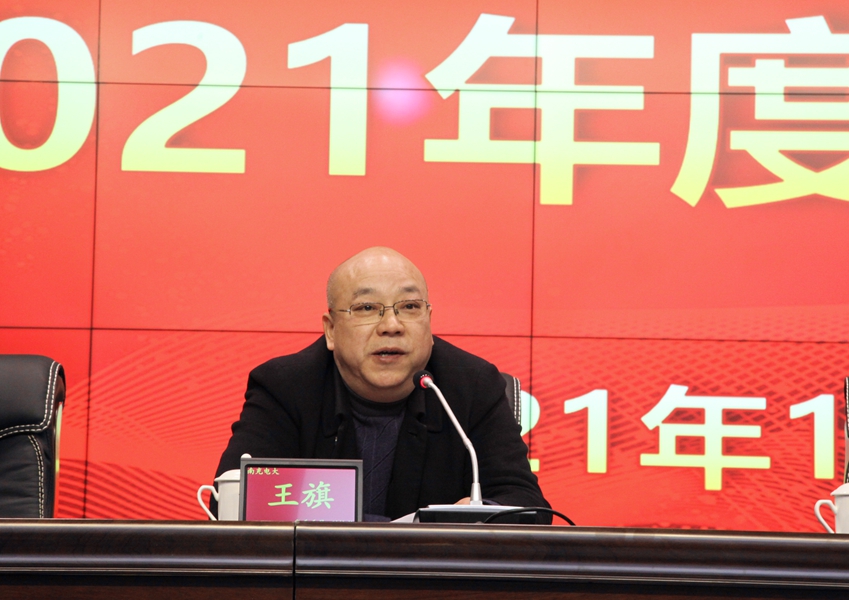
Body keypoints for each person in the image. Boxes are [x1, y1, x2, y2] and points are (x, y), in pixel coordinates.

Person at [215, 247, 548, 520]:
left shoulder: (471, 385)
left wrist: (481, 512)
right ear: (331, 330)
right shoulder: (285, 387)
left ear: (429, 321)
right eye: (366, 308)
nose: (391, 325)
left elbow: (527, 505)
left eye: (410, 307)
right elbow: (231, 501)